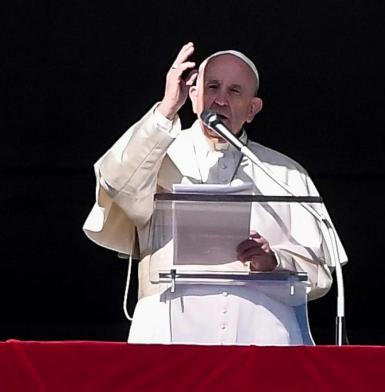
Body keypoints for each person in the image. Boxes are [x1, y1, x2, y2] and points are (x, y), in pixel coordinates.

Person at [83, 42, 347, 345]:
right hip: (169, 337)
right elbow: (116, 184)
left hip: (260, 341)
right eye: (212, 86)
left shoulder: (286, 173)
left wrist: (272, 260)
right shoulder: (156, 154)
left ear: (252, 109)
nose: (220, 100)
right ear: (194, 96)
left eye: (235, 91)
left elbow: (321, 275)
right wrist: (167, 109)